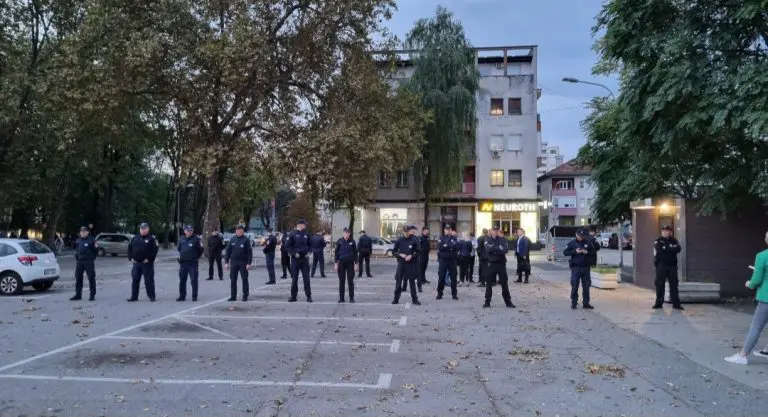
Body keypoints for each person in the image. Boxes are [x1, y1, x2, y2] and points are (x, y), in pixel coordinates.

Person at [725, 231, 768, 365]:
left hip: (766, 298)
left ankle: (743, 355)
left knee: (756, 326)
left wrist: (750, 283)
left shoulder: (762, 256)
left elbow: (757, 279)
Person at [483, 226, 515, 308]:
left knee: (504, 283)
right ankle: (487, 302)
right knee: (489, 284)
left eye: (497, 230)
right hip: (491, 264)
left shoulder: (502, 239)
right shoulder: (487, 239)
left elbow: (505, 250)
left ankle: (508, 302)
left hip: (501, 264)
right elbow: (488, 249)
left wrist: (494, 248)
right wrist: (499, 249)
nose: (495, 232)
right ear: (491, 231)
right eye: (494, 230)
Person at [653, 225, 683, 309]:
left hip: (672, 265)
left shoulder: (674, 240)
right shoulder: (658, 240)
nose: (665, 232)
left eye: (666, 231)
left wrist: (667, 248)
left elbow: (678, 249)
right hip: (661, 265)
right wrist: (670, 248)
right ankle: (658, 303)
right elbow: (659, 250)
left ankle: (676, 304)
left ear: (670, 232)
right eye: (663, 231)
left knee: (674, 285)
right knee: (660, 284)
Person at [564, 229, 595, 309]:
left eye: (583, 236)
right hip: (575, 268)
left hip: (585, 267)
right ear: (576, 235)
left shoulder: (588, 242)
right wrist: (575, 251)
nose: (581, 237)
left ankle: (586, 303)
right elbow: (565, 252)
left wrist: (587, 252)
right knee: (574, 285)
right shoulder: (572, 243)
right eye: (580, 236)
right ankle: (574, 303)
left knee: (586, 286)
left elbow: (594, 252)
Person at [127, 223, 159, 302]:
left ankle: (151, 296)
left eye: (145, 229)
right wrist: (130, 258)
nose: (143, 230)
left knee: (148, 280)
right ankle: (134, 296)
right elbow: (129, 248)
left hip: (147, 263)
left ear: (148, 229)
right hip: (136, 263)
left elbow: (154, 250)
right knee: (135, 280)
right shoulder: (135, 237)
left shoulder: (152, 238)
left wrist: (149, 259)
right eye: (142, 229)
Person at [393, 225, 421, 305]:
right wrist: (399, 255)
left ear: (409, 231)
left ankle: (415, 299)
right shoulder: (399, 240)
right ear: (403, 232)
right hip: (401, 263)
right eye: (404, 232)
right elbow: (394, 251)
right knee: (398, 281)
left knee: (412, 281)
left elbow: (419, 252)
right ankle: (396, 299)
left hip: (411, 264)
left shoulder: (414, 240)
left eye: (407, 231)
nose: (406, 233)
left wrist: (411, 256)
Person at [286, 219, 312, 302]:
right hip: (295, 260)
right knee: (294, 279)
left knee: (306, 279)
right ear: (300, 225)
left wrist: (309, 252)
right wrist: (293, 253)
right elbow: (287, 246)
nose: (305, 226)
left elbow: (311, 245)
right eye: (304, 224)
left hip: (304, 259)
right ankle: (293, 296)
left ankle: (308, 296)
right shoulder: (292, 234)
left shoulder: (307, 234)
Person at [225, 225, 252, 301]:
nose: (237, 231)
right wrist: (226, 262)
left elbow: (249, 252)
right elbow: (228, 251)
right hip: (234, 263)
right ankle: (233, 296)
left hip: (243, 262)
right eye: (236, 230)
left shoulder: (246, 240)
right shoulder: (232, 239)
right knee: (233, 280)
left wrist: (249, 263)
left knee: (244, 279)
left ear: (242, 231)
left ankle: (245, 295)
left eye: (239, 230)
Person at [177, 225, 203, 302]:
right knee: (182, 280)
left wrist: (195, 257)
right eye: (188, 230)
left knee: (194, 280)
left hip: (192, 263)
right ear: (185, 231)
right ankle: (182, 296)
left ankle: (194, 296)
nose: (189, 232)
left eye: (191, 230)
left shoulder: (196, 239)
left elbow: (201, 250)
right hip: (183, 263)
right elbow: (179, 248)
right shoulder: (181, 238)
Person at [71, 226, 98, 301]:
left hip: (89, 261)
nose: (82, 233)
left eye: (84, 231)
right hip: (80, 262)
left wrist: (92, 258)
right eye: (81, 231)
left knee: (91, 278)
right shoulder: (78, 240)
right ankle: (78, 294)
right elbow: (77, 250)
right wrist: (77, 257)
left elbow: (96, 250)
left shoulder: (92, 240)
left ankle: (92, 295)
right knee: (78, 277)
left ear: (87, 232)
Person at [335, 227, 357, 303]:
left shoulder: (353, 241)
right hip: (341, 263)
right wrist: (335, 263)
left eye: (348, 233)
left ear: (350, 233)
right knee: (342, 281)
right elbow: (336, 253)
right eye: (346, 233)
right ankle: (341, 298)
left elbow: (355, 253)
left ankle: (351, 298)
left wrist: (356, 264)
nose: (347, 234)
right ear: (343, 233)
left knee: (350, 280)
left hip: (350, 263)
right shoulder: (339, 241)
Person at [437, 225, 459, 300]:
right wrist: (450, 247)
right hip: (443, 260)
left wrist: (446, 246)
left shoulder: (454, 238)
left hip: (452, 260)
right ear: (444, 230)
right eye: (446, 229)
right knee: (441, 276)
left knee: (453, 277)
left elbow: (456, 246)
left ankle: (454, 294)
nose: (447, 231)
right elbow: (440, 247)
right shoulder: (441, 238)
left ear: (451, 230)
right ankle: (439, 293)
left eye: (449, 229)